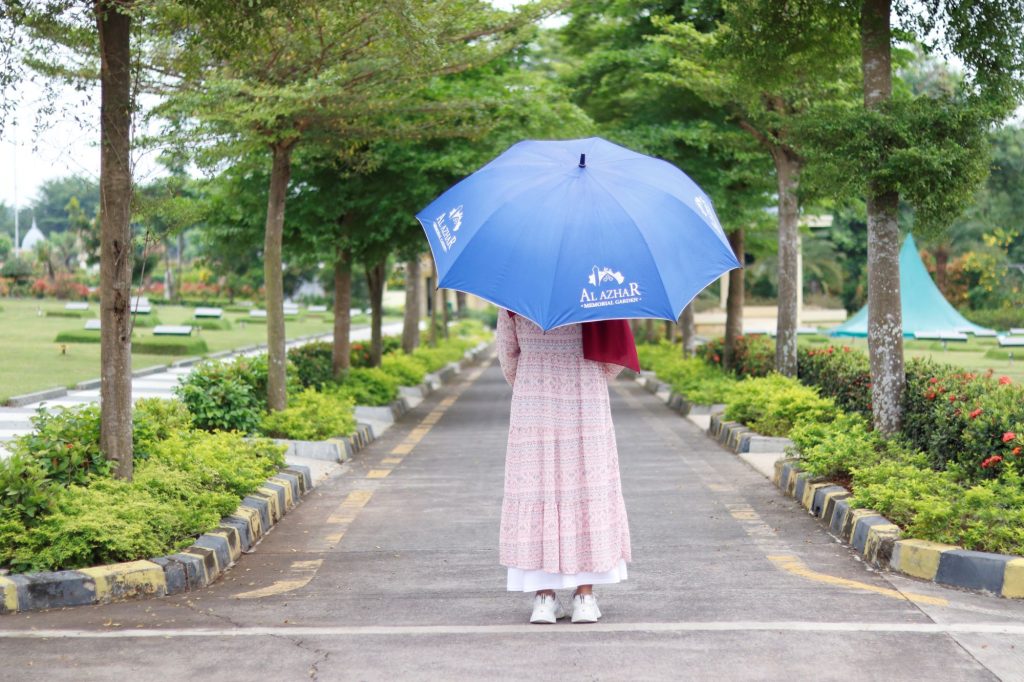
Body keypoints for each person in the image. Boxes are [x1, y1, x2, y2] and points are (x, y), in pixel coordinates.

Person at [496, 309, 633, 624]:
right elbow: (613, 360)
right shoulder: (592, 293)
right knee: (586, 483)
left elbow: (507, 356)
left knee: (538, 486)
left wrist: (534, 372)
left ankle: (543, 599)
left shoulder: (515, 294)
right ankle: (584, 596)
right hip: (584, 390)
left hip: (534, 394)